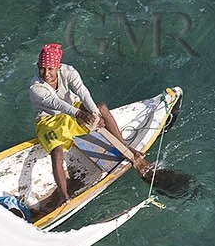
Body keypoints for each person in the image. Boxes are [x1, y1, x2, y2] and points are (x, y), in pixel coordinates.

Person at [30, 42, 154, 205]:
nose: (46, 74)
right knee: (57, 153)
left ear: (58, 67)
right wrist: (82, 115)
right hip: (48, 121)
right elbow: (58, 104)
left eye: (50, 69)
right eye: (42, 69)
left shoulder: (69, 71)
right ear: (38, 66)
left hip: (72, 109)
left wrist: (94, 114)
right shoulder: (35, 87)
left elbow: (82, 92)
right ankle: (63, 195)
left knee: (101, 108)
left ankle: (124, 147)